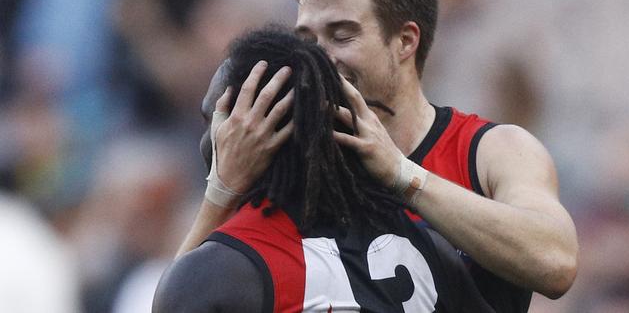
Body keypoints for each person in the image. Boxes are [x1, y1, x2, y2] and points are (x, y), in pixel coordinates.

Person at [176, 0, 579, 310]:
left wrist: (402, 175)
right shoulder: (298, 158)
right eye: (307, 39)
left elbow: (556, 263)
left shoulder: (491, 150)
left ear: (405, 41)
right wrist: (222, 192)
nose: (318, 57)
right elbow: (186, 297)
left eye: (341, 34)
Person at [153, 26, 497, 312]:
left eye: (208, 118)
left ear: (240, 131)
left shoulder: (221, 271)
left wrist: (218, 196)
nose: (204, 134)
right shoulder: (426, 246)